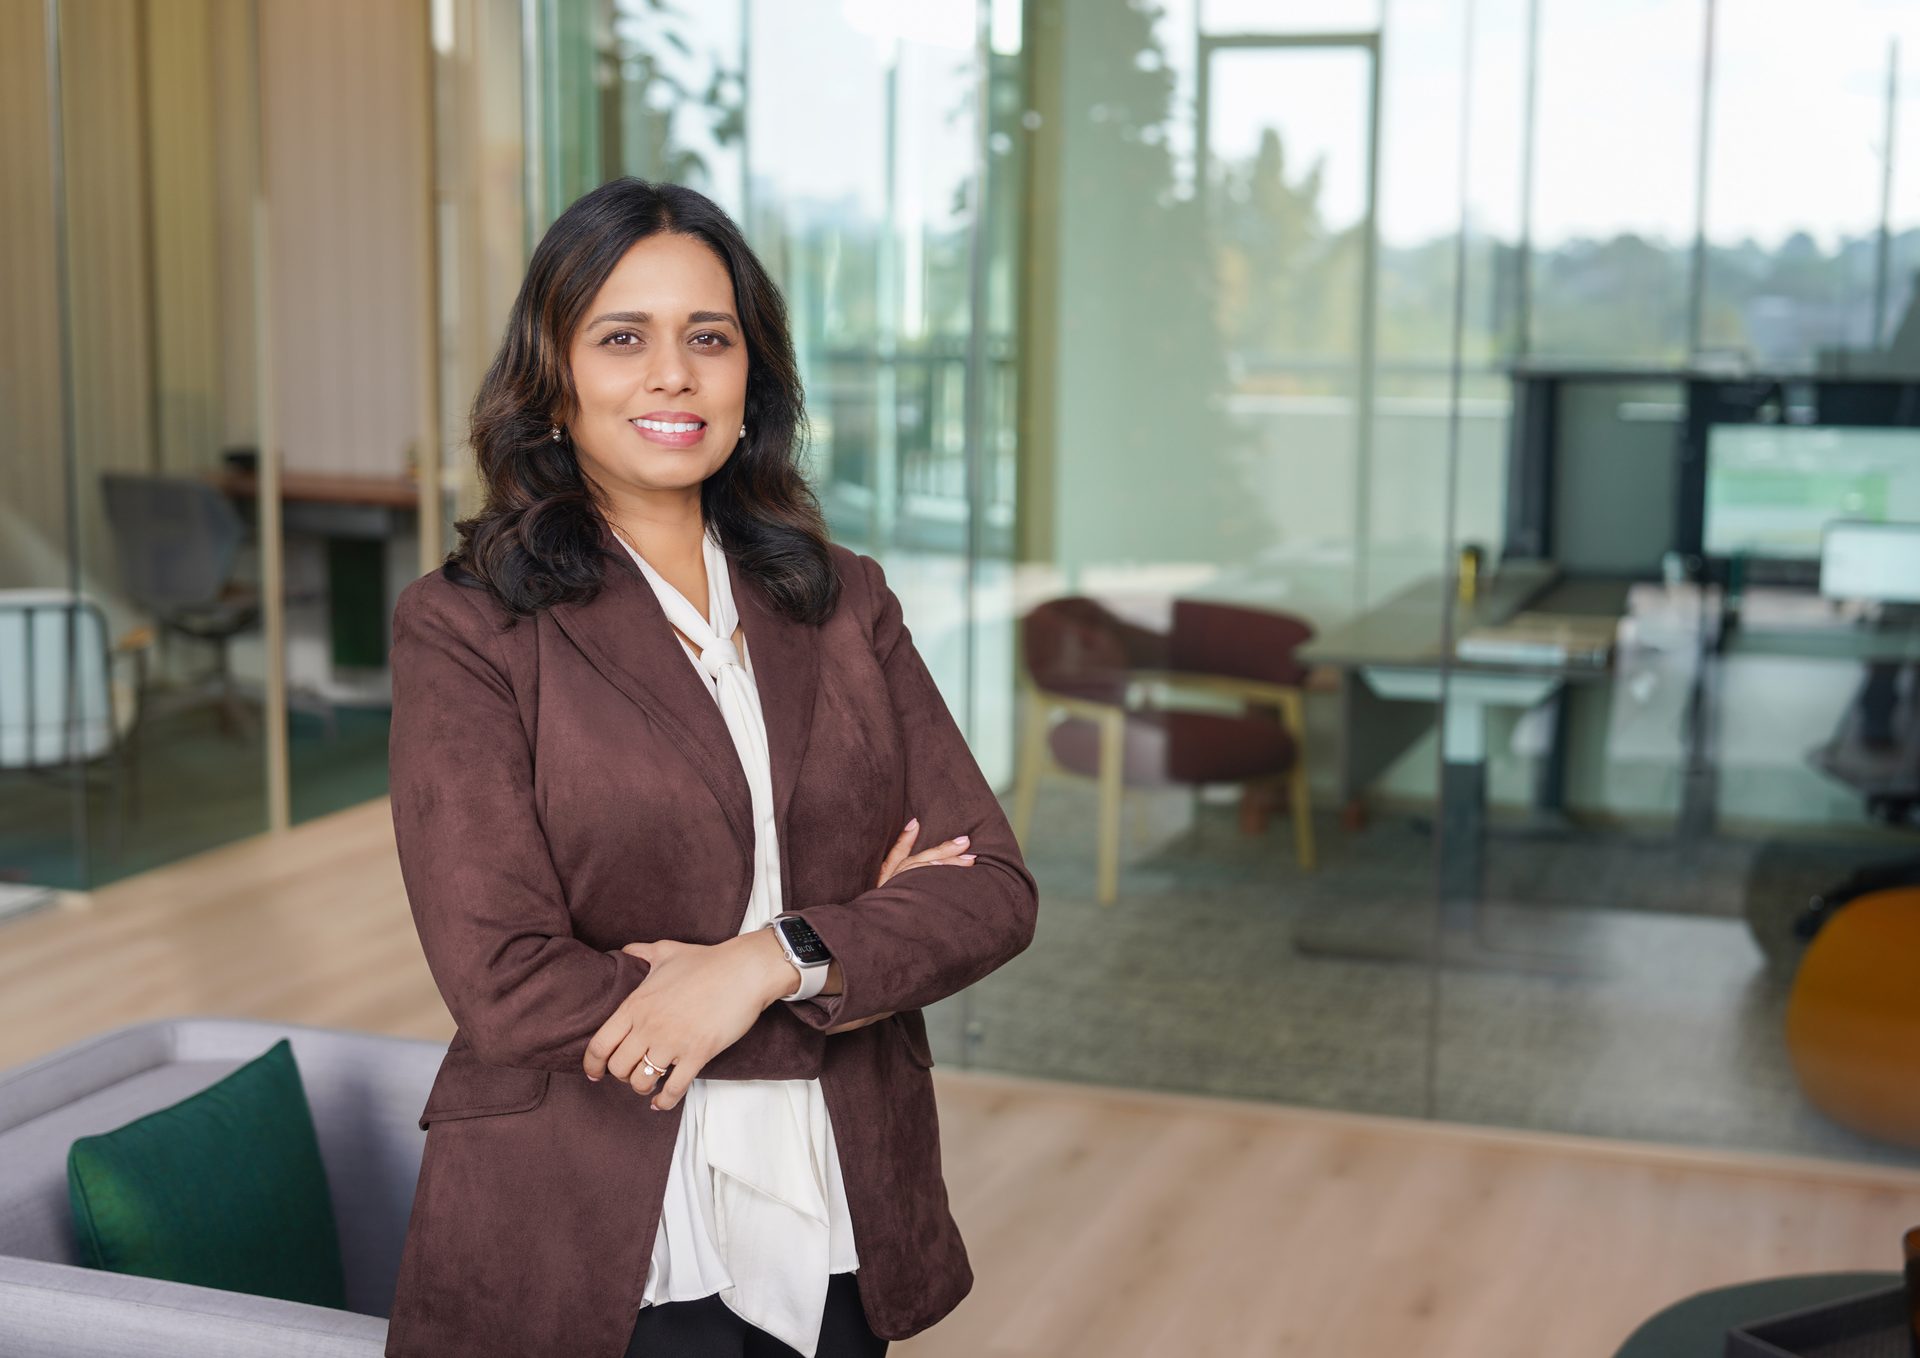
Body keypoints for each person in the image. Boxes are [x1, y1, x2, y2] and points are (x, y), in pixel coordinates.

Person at [382, 177, 1039, 1358]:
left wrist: (762, 961)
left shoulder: (845, 600)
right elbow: (506, 980)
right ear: (554, 377)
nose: (672, 373)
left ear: (753, 376)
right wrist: (849, 952)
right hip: (592, 1218)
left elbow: (988, 886)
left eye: (709, 336)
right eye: (622, 337)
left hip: (834, 1188)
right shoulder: (468, 626)